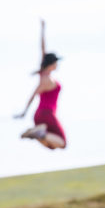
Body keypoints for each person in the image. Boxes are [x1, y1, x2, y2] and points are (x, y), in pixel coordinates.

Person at [15, 19, 67, 150]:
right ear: (52, 63)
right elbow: (33, 95)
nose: (57, 65)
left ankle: (38, 134)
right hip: (47, 113)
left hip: (38, 116)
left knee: (52, 146)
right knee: (62, 143)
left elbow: (42, 49)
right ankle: (39, 133)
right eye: (56, 62)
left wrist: (43, 29)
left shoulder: (43, 75)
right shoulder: (46, 80)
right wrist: (23, 111)